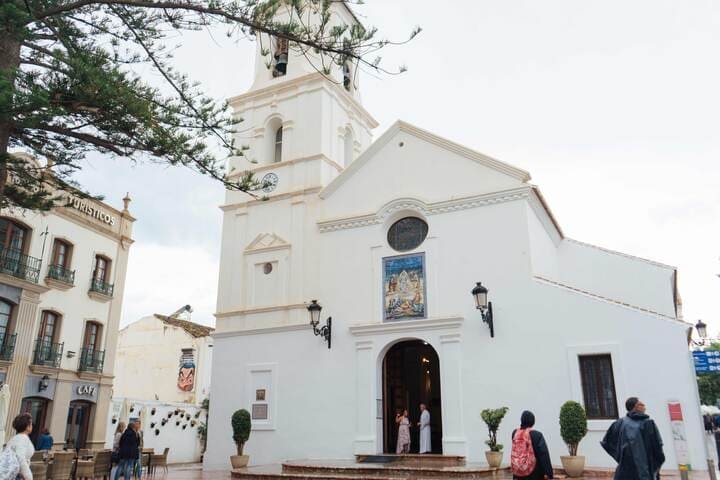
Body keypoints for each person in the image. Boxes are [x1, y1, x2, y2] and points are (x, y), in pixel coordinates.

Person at [601, 397, 665, 480]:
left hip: (624, 470)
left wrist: (620, 456)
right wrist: (657, 465)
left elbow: (607, 442)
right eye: (641, 404)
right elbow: (657, 447)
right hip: (644, 470)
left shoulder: (619, 423)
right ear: (636, 407)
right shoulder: (648, 423)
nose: (644, 406)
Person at [510, 411, 553, 480]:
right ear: (533, 422)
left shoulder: (515, 433)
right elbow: (543, 454)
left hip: (517, 472)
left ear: (522, 420)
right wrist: (548, 473)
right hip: (533, 473)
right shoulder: (537, 435)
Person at [6, 413, 35, 480]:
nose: (32, 426)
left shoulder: (16, 438)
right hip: (17, 476)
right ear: (27, 426)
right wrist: (28, 476)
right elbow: (21, 458)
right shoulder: (22, 438)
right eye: (31, 424)